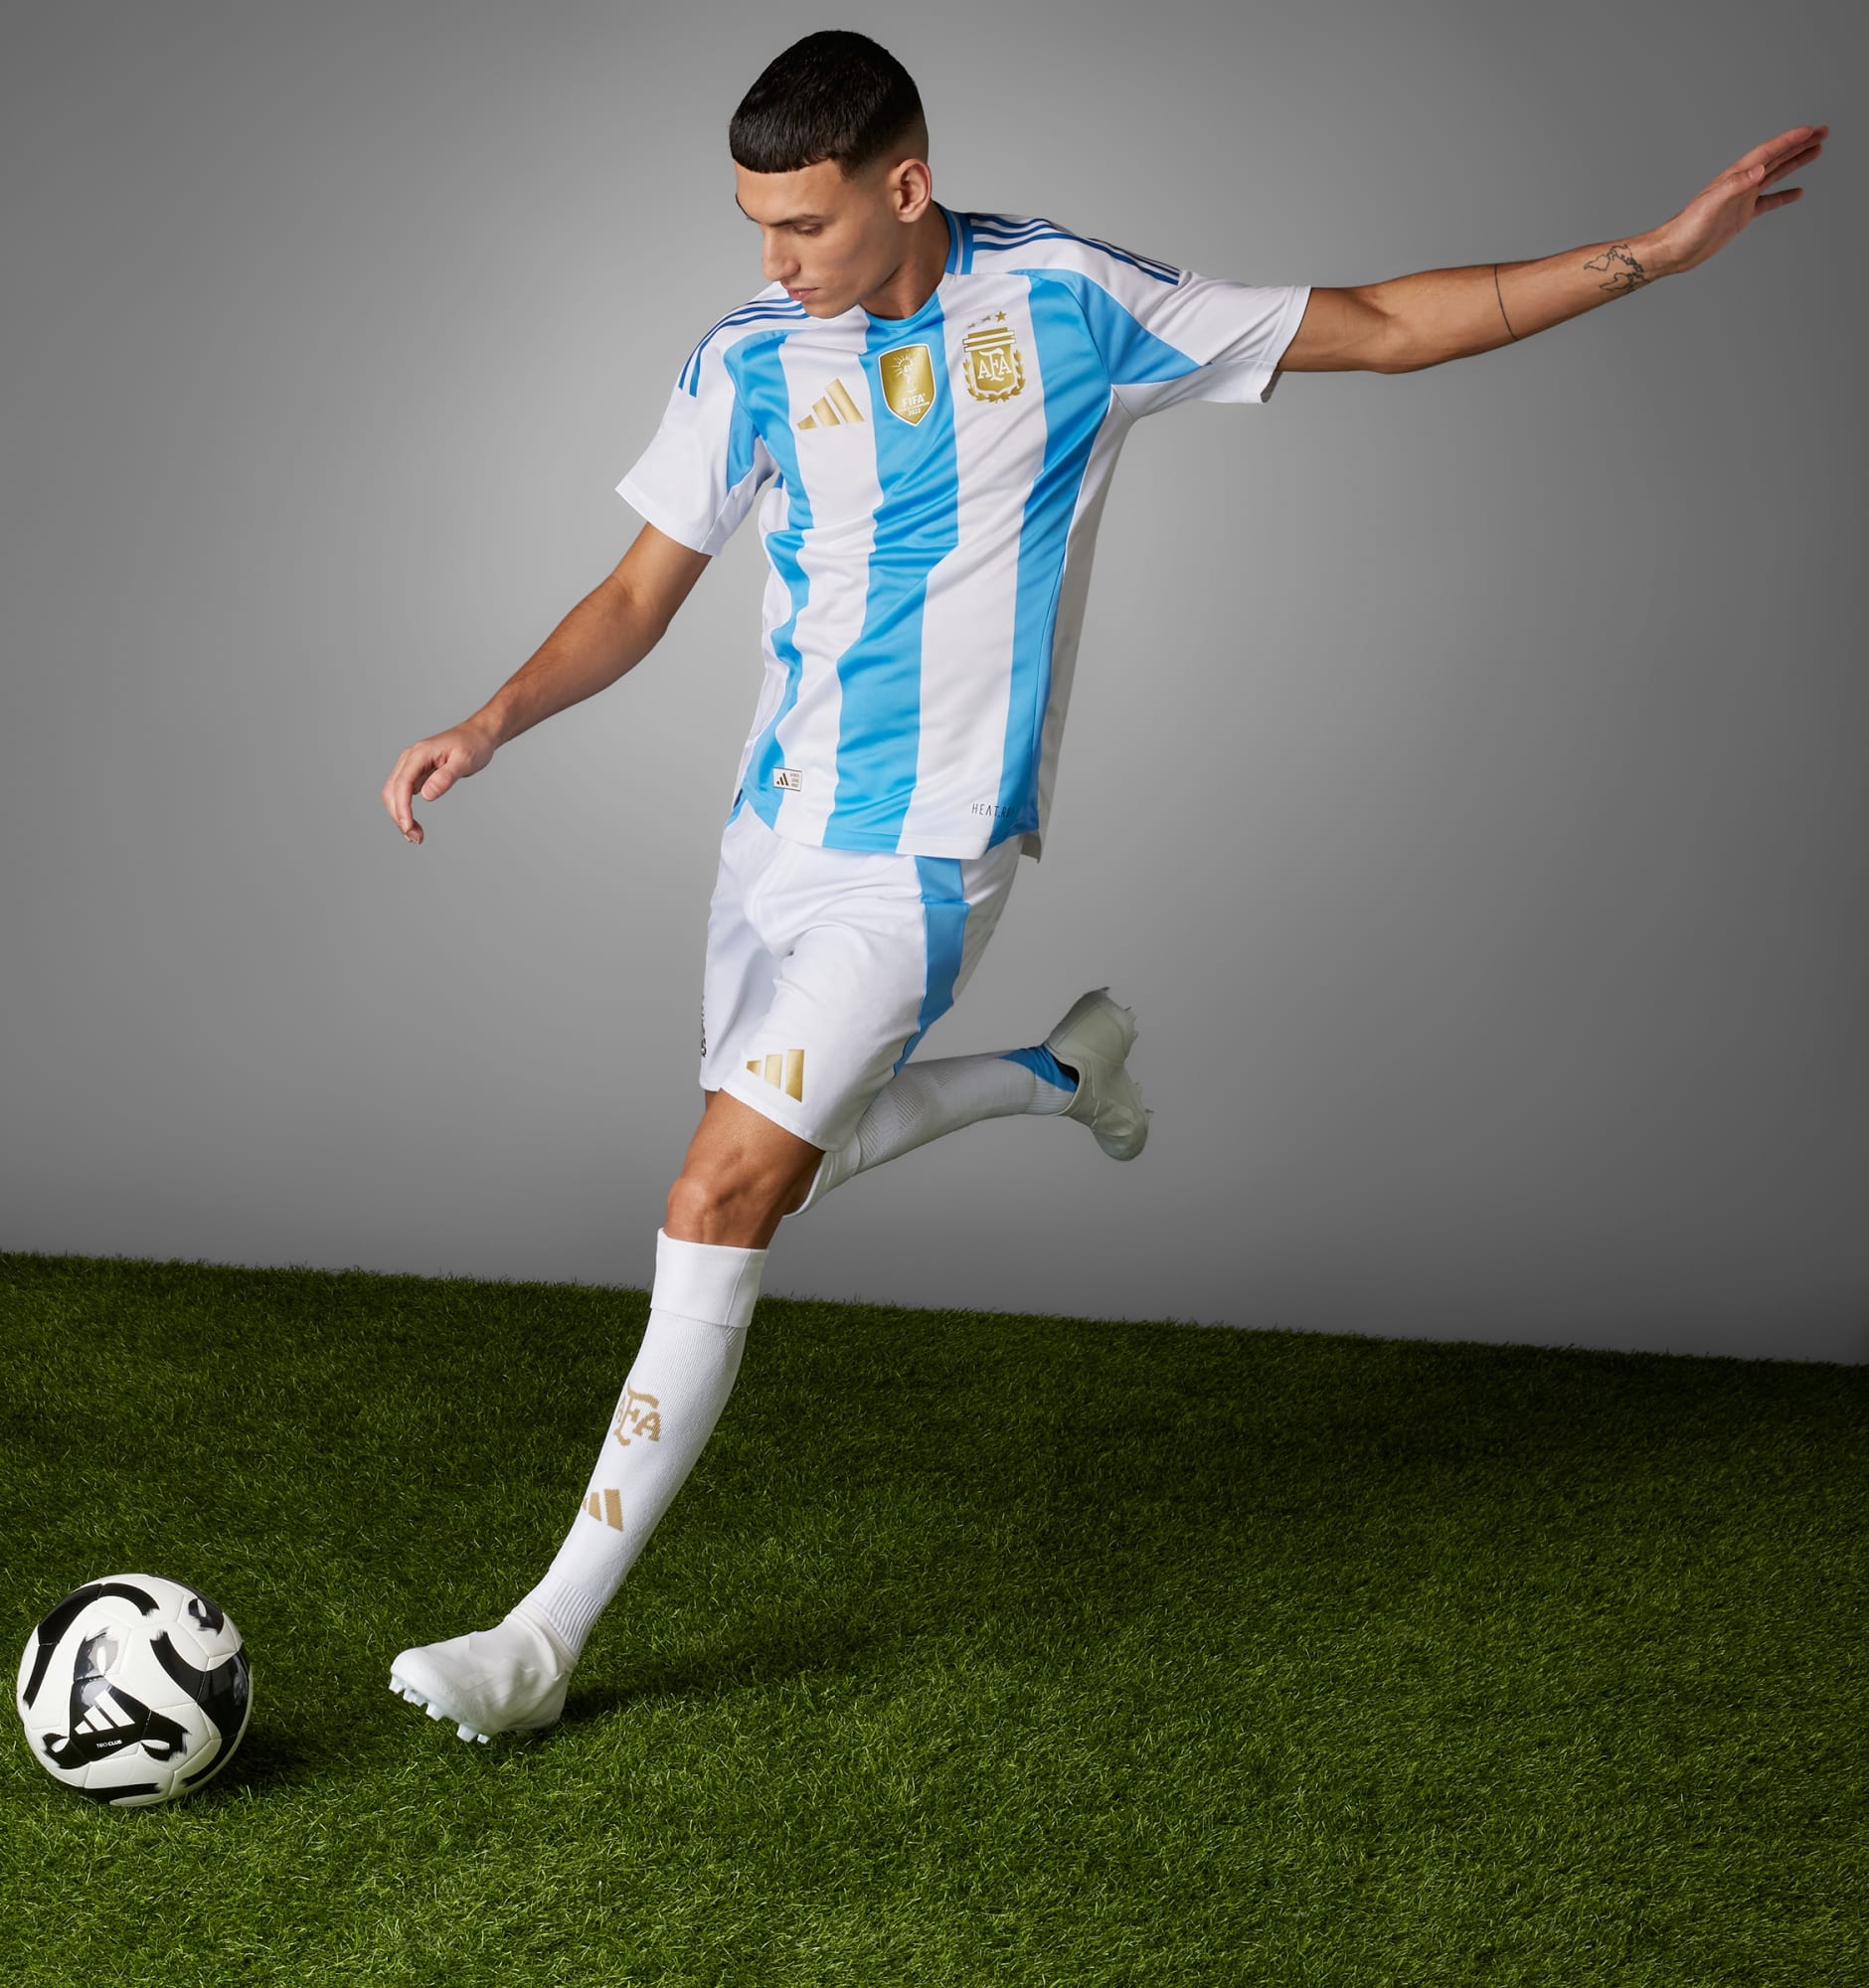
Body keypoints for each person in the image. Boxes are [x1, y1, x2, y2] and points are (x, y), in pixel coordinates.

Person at [378, 30, 1823, 1741]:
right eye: (755, 224)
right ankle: (1060, 1078)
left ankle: (542, 1643)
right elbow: (638, 594)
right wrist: (489, 720)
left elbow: (1376, 324)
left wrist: (1651, 253)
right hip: (771, 841)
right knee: (793, 1166)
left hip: (927, 855)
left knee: (719, 1194)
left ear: (905, 186)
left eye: (806, 224)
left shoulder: (1069, 303)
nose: (774, 261)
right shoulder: (749, 355)